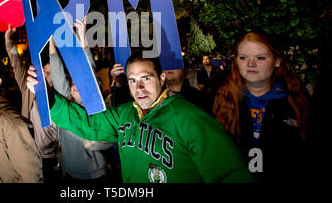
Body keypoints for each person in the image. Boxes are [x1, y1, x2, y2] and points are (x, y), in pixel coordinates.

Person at [26, 51, 255, 183]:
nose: (139, 87)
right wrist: (48, 96)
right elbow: (86, 124)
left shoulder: (190, 117)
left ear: (162, 78)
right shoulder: (125, 112)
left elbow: (230, 174)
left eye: (146, 78)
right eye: (132, 80)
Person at [213, 32, 310, 182]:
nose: (251, 64)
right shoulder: (223, 100)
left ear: (277, 61)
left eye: (260, 58)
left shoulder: (296, 102)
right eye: (243, 57)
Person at [49, 19, 116, 184]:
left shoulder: (94, 106)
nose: (73, 85)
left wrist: (82, 35)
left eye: (79, 84)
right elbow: (57, 76)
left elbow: (88, 73)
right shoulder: (68, 103)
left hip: (94, 174)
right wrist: (51, 43)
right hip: (69, 170)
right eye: (72, 83)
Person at [5, 24, 60, 183]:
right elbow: (16, 63)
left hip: (51, 157)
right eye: (44, 70)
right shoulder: (29, 90)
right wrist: (9, 41)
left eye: (50, 72)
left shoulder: (60, 98)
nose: (45, 73)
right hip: (29, 154)